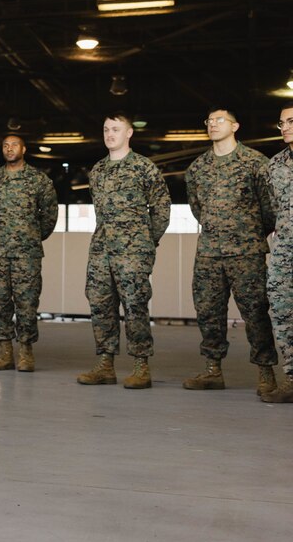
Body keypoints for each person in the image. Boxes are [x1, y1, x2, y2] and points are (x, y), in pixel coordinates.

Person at [182, 108, 278, 393]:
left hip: (246, 252)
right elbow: (197, 208)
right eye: (209, 121)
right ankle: (212, 370)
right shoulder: (198, 168)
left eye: (219, 120)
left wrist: (247, 233)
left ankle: (266, 372)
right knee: (208, 312)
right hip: (209, 252)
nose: (212, 124)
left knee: (255, 312)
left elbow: (269, 209)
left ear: (235, 125)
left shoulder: (254, 163)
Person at [76, 113, 170, 390]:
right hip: (101, 249)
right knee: (100, 305)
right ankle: (105, 364)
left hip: (134, 251)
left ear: (129, 133)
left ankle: (141, 365)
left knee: (134, 305)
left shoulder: (144, 167)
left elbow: (162, 208)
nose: (109, 134)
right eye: (106, 129)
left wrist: (145, 241)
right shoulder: (98, 170)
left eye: (115, 129)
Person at [0, 135, 57, 372]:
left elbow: (50, 216)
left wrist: (31, 235)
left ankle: (26, 352)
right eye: (5, 145)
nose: (9, 148)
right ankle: (5, 353)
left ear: (24, 148)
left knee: (27, 303)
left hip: (27, 254)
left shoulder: (38, 180)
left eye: (13, 145)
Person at [263, 102, 293, 403]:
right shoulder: (275, 165)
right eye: (282, 122)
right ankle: (292, 377)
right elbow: (273, 207)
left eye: (291, 121)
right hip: (285, 250)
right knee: (282, 309)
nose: (284, 127)